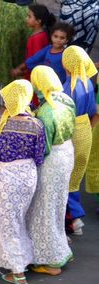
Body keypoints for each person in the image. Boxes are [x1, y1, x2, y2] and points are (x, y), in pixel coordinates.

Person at [0, 79, 46, 284]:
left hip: (5, 176)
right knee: (19, 219)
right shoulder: (36, 125)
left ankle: (18, 271)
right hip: (28, 176)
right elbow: (39, 156)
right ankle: (22, 259)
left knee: (7, 223)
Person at [27, 65, 75, 276]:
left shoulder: (46, 113)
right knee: (57, 204)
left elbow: (43, 149)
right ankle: (58, 248)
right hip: (66, 153)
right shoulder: (66, 100)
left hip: (51, 160)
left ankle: (47, 259)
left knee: (43, 209)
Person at [62, 45, 98, 235]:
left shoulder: (68, 88)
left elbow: (64, 117)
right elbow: (93, 111)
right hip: (85, 130)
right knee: (76, 174)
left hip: (72, 132)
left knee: (66, 176)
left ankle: (73, 218)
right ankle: (75, 217)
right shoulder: (88, 83)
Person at [11, 4, 56, 81]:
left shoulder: (36, 39)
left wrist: (20, 72)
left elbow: (35, 62)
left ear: (38, 21)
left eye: (29, 17)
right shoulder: (43, 34)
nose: (26, 18)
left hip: (33, 77)